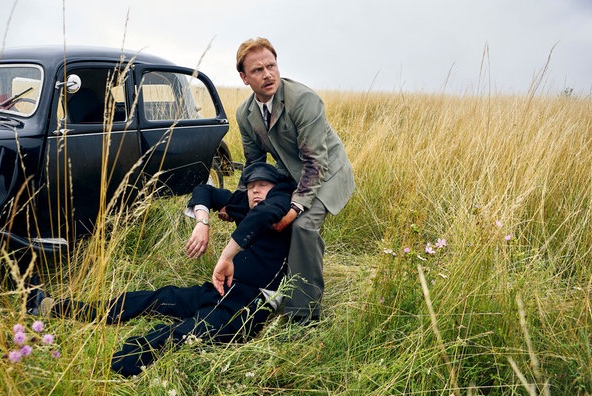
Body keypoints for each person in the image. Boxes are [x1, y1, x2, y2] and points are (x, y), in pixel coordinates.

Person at [26, 163, 294, 377]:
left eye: (263, 185)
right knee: (157, 298)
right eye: (251, 186)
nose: (256, 191)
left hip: (251, 302)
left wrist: (227, 255)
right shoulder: (245, 202)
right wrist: (203, 221)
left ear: (276, 188)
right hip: (222, 288)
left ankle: (100, 368)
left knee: (184, 334)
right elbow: (204, 190)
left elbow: (262, 218)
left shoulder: (279, 203)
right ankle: (52, 307)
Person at [234, 37, 356, 324]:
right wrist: (238, 203)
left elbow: (316, 163)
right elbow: (254, 165)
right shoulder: (245, 113)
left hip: (327, 173)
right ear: (243, 77)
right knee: (259, 213)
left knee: (301, 227)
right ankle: (266, 289)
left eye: (271, 66)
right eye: (257, 70)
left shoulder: (304, 100)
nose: (267, 74)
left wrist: (294, 208)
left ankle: (304, 315)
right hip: (291, 173)